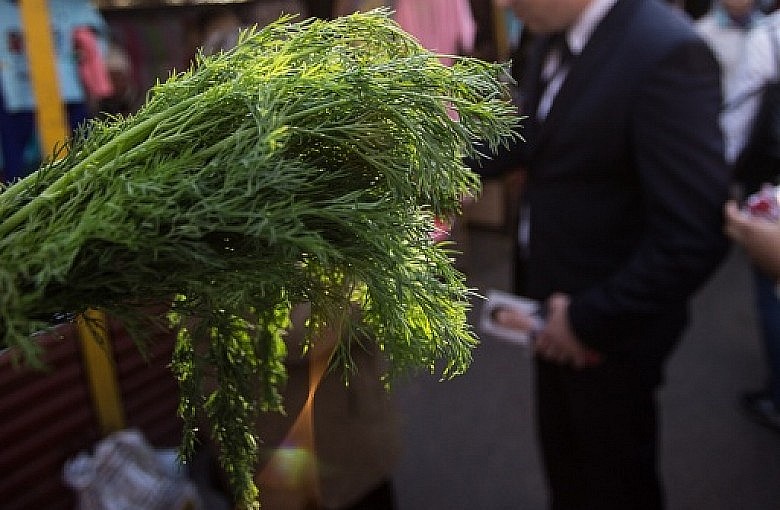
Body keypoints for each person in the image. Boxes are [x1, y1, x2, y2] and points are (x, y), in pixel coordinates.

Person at [475, 0, 730, 508]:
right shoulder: (551, 32)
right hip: (549, 308)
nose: (502, 4)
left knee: (614, 481)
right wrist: (435, 165)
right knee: (567, 469)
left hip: (609, 330)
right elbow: (535, 133)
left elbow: (694, 234)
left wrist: (590, 320)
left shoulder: (666, 52)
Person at [721, 10, 780, 433]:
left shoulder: (769, 36)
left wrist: (719, 179)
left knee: (772, 292)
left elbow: (738, 118)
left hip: (772, 191)